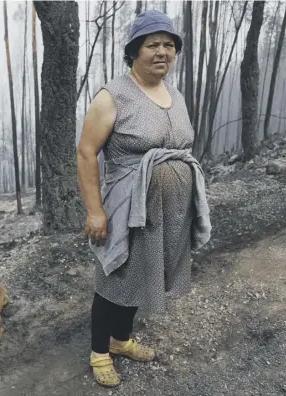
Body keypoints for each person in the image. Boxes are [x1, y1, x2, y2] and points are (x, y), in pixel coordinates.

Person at [77, 10, 211, 388]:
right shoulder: (113, 95)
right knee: (115, 275)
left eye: (169, 45)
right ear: (134, 51)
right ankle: (99, 351)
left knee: (142, 274)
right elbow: (87, 153)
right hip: (126, 204)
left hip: (166, 212)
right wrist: (95, 211)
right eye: (152, 44)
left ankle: (120, 341)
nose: (162, 52)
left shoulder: (176, 94)